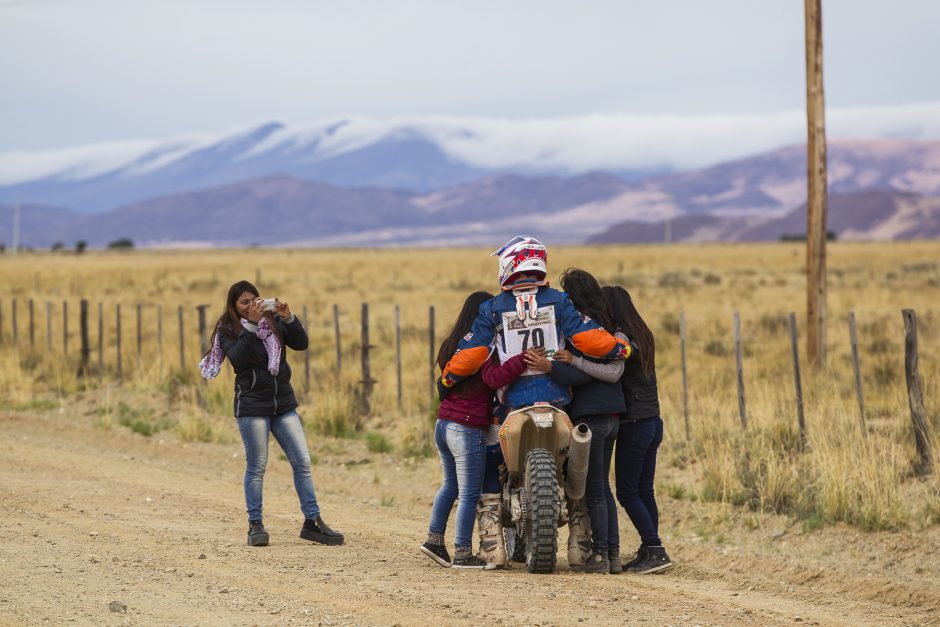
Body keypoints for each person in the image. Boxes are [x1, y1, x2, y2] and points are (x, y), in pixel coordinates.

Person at [199, 280, 343, 547]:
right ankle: (256, 525)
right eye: (244, 302)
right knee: (257, 467)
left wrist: (289, 319)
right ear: (233, 306)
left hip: (282, 402)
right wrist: (251, 326)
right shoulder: (228, 328)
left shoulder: (273, 320)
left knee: (302, 462)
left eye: (254, 300)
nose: (251, 305)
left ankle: (313, 522)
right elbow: (239, 359)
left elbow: (301, 343)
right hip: (252, 405)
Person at [422, 291, 537, 569]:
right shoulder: (484, 347)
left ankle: (434, 541)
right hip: (466, 426)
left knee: (449, 486)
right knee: (470, 493)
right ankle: (462, 552)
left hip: (443, 424)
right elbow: (493, 378)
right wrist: (522, 359)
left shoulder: (452, 345)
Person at [525, 268, 629, 575]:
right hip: (612, 416)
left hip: (593, 417)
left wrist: (550, 367)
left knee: (595, 488)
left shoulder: (581, 333)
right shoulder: (608, 328)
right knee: (603, 489)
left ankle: (602, 555)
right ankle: (612, 555)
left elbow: (583, 375)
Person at [603, 285, 673, 574]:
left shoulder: (622, 340)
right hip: (653, 421)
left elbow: (611, 368)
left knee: (627, 492)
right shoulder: (644, 333)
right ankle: (650, 549)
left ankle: (654, 548)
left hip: (635, 423)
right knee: (645, 491)